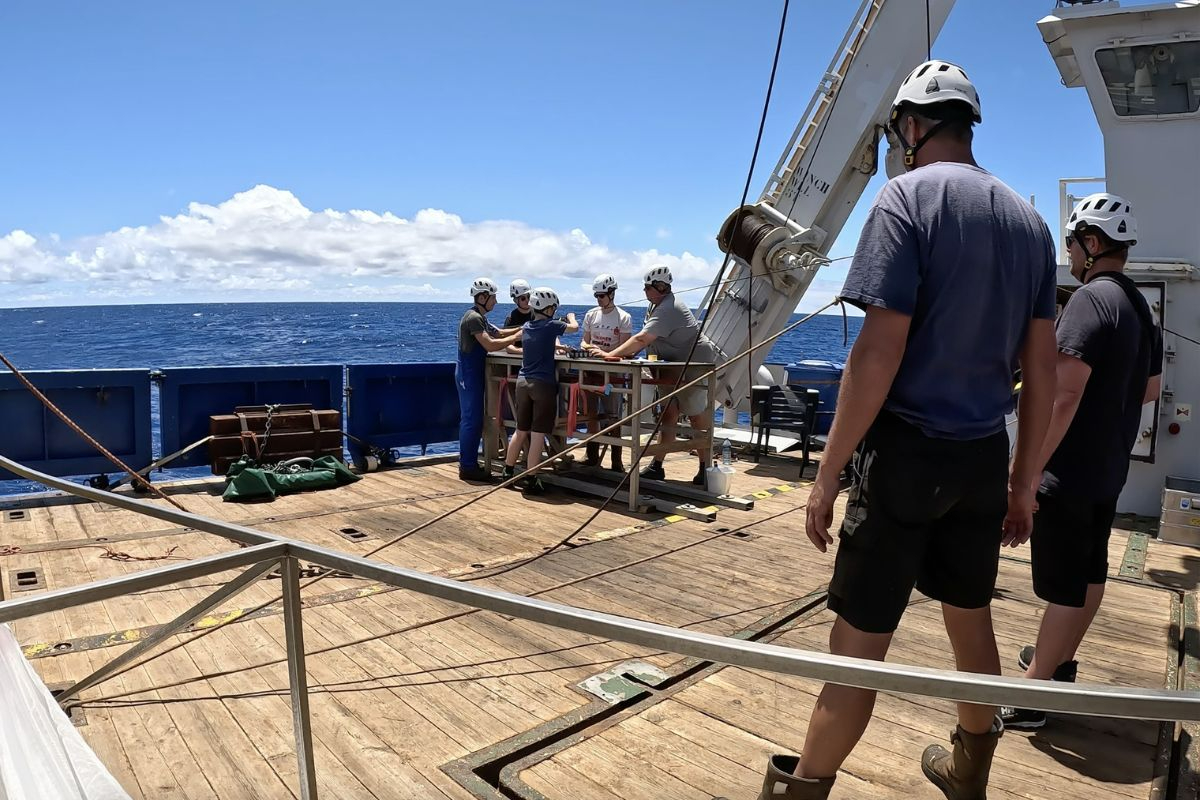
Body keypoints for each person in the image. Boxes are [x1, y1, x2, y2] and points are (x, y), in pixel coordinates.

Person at [759, 61, 1058, 800]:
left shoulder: (905, 199)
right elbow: (1042, 370)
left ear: (914, 126)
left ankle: (805, 787)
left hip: (905, 458)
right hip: (983, 459)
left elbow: (878, 351)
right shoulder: (1029, 223)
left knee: (857, 648)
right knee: (971, 621)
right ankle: (969, 770)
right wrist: (1024, 485)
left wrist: (827, 472)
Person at [1000, 194, 1162, 730]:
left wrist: (1026, 474)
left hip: (1067, 474)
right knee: (1090, 573)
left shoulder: (1091, 300)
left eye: (1071, 244)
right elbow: (1150, 389)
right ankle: (1057, 663)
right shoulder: (1140, 306)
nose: (1068, 254)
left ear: (1091, 243)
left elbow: (1064, 395)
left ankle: (1033, 694)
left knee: (1065, 584)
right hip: (1108, 469)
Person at [589, 264, 724, 486]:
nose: (644, 291)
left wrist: (609, 355)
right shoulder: (655, 306)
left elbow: (642, 338)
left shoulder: (669, 307)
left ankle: (705, 468)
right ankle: (657, 466)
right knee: (668, 415)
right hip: (671, 366)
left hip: (693, 366)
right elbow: (647, 339)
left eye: (647, 288)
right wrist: (627, 354)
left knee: (696, 415)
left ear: (659, 287)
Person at [502, 288, 578, 495]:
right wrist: (571, 317)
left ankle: (508, 472)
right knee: (537, 434)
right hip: (542, 384)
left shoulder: (527, 326)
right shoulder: (552, 325)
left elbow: (539, 344)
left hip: (522, 382)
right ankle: (532, 478)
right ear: (550, 308)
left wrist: (558, 348)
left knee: (520, 430)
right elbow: (574, 328)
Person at [456, 278, 521, 483]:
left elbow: (499, 332)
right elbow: (491, 344)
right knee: (471, 420)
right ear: (483, 297)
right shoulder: (473, 318)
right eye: (493, 297)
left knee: (474, 419)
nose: (495, 301)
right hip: (468, 374)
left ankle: (469, 463)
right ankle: (467, 467)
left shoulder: (479, 318)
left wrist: (524, 328)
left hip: (474, 373)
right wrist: (517, 337)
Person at [580, 273, 633, 471]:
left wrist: (605, 353)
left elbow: (625, 348)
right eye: (596, 296)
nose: (599, 300)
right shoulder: (591, 315)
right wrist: (590, 348)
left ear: (612, 293)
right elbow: (584, 341)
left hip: (613, 374)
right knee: (591, 413)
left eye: (601, 296)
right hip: (591, 371)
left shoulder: (624, 317)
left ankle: (616, 460)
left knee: (613, 416)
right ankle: (591, 454)